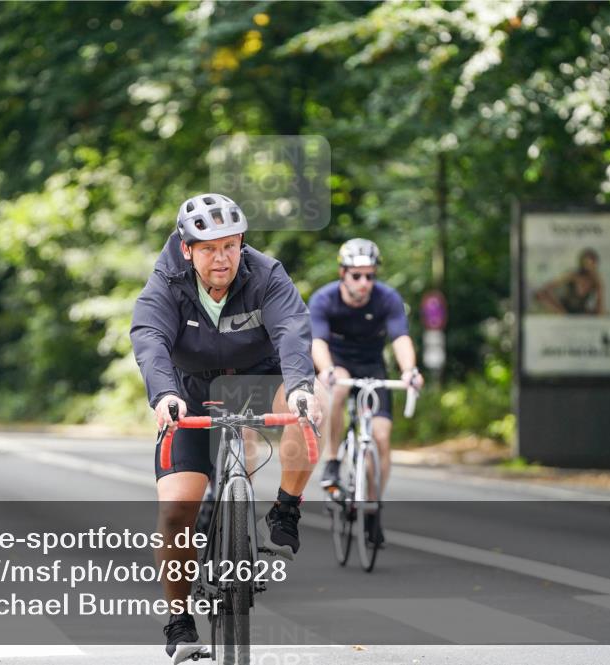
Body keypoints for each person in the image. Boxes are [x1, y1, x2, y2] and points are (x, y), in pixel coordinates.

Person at [130, 193, 326, 662]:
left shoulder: (267, 275)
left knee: (305, 411)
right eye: (209, 248)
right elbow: (149, 336)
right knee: (177, 508)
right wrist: (165, 395)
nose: (222, 259)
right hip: (190, 391)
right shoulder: (167, 281)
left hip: (260, 380)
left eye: (231, 246)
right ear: (186, 249)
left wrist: (301, 386)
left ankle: (286, 509)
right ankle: (179, 622)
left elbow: (293, 331)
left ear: (242, 243)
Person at [309, 238, 423, 545]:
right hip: (338, 363)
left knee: (382, 437)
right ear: (342, 273)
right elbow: (317, 341)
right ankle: (332, 462)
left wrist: (409, 370)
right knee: (335, 391)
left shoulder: (387, 298)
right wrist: (326, 369)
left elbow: (400, 338)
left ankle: (372, 507)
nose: (364, 283)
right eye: (357, 276)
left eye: (370, 276)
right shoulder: (325, 299)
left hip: (373, 366)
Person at [533, 247, 605, 315]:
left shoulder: (596, 280)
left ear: (595, 265)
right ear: (581, 263)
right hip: (564, 308)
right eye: (586, 264)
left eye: (591, 264)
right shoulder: (573, 275)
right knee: (540, 295)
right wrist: (560, 310)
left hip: (580, 311)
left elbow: (600, 306)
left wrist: (600, 287)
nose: (588, 267)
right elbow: (546, 288)